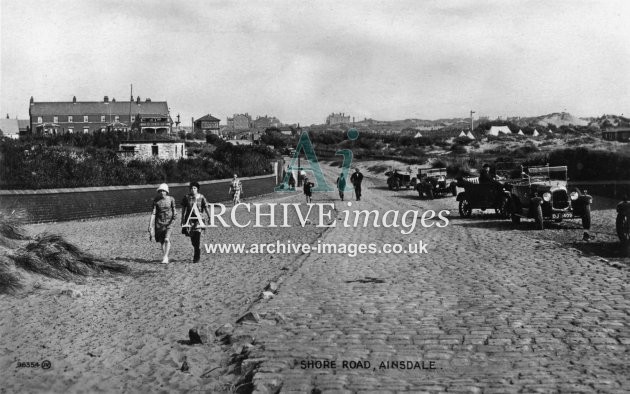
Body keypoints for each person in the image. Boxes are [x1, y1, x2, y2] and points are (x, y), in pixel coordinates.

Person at [181, 181, 210, 264]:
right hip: (189, 220)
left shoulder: (201, 197)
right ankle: (196, 248)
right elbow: (183, 209)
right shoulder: (186, 197)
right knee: (193, 239)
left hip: (199, 219)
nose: (193, 190)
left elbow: (206, 207)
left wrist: (209, 216)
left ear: (197, 189)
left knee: (197, 236)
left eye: (194, 188)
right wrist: (182, 219)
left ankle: (196, 256)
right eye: (191, 188)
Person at [148, 183, 176, 264]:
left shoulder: (171, 199)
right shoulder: (156, 200)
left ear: (167, 191)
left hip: (169, 222)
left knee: (167, 239)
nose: (162, 192)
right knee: (162, 241)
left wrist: (174, 217)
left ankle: (166, 256)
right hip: (159, 223)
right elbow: (153, 213)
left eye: (163, 191)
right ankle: (165, 256)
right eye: (160, 191)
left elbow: (174, 210)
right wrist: (150, 225)